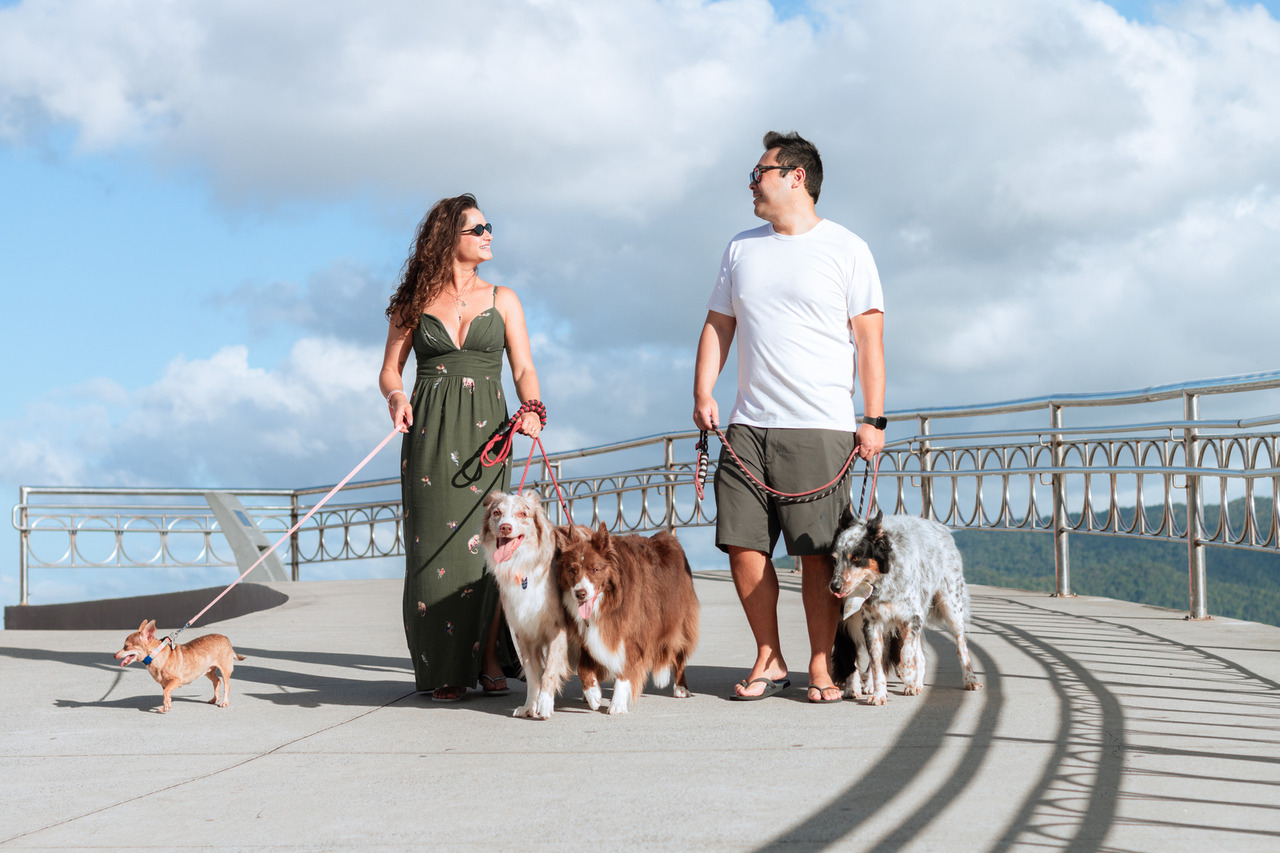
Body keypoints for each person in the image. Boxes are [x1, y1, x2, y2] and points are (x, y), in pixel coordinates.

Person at [692, 131, 886, 704]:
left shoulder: (848, 249)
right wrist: (703, 390)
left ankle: (821, 665)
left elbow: (870, 342)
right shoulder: (740, 248)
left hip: (821, 424)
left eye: (760, 172)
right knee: (742, 543)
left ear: (795, 176)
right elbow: (718, 325)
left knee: (815, 552)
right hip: (747, 424)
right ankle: (768, 656)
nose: (752, 182)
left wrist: (873, 419)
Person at [379, 194, 543, 702]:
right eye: (478, 228)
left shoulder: (504, 298)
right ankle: (442, 668)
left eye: (488, 226)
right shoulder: (413, 302)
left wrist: (533, 405)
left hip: (488, 436)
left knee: (492, 550)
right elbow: (389, 369)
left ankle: (490, 654)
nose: (489, 234)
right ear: (448, 238)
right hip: (428, 437)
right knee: (433, 553)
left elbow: (522, 368)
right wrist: (396, 396)